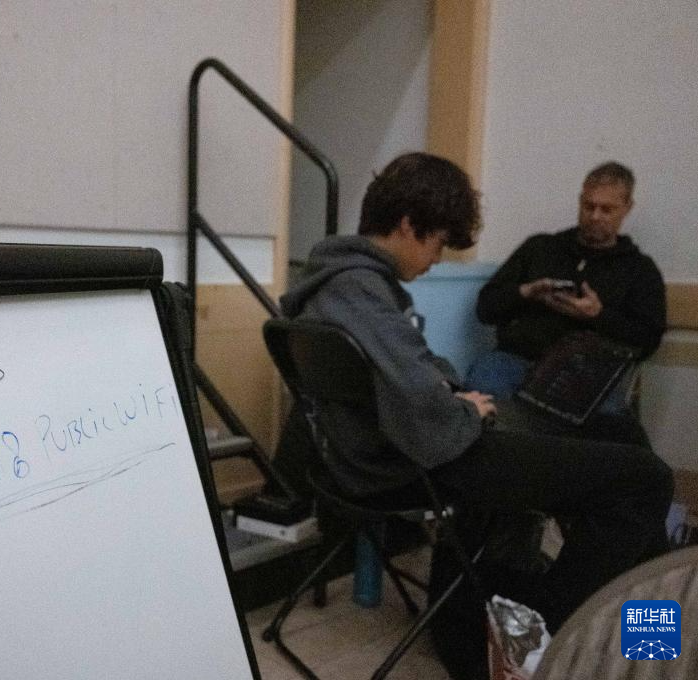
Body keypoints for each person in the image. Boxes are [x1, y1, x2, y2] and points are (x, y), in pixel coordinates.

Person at [279, 152, 672, 679]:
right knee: (647, 479)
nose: (438, 257)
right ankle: (554, 636)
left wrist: (455, 396)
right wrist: (464, 410)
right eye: (439, 241)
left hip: (409, 447)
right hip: (423, 457)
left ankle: (653, 642)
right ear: (408, 225)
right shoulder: (357, 288)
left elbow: (411, 369)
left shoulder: (340, 283)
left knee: (625, 450)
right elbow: (425, 410)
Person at [467, 162, 666, 410]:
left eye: (606, 210)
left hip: (588, 374)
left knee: (608, 417)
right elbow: (485, 309)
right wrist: (526, 293)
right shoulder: (540, 248)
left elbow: (648, 341)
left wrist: (597, 316)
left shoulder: (639, 270)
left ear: (626, 208)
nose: (595, 216)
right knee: (484, 386)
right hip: (516, 360)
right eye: (589, 206)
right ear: (580, 200)